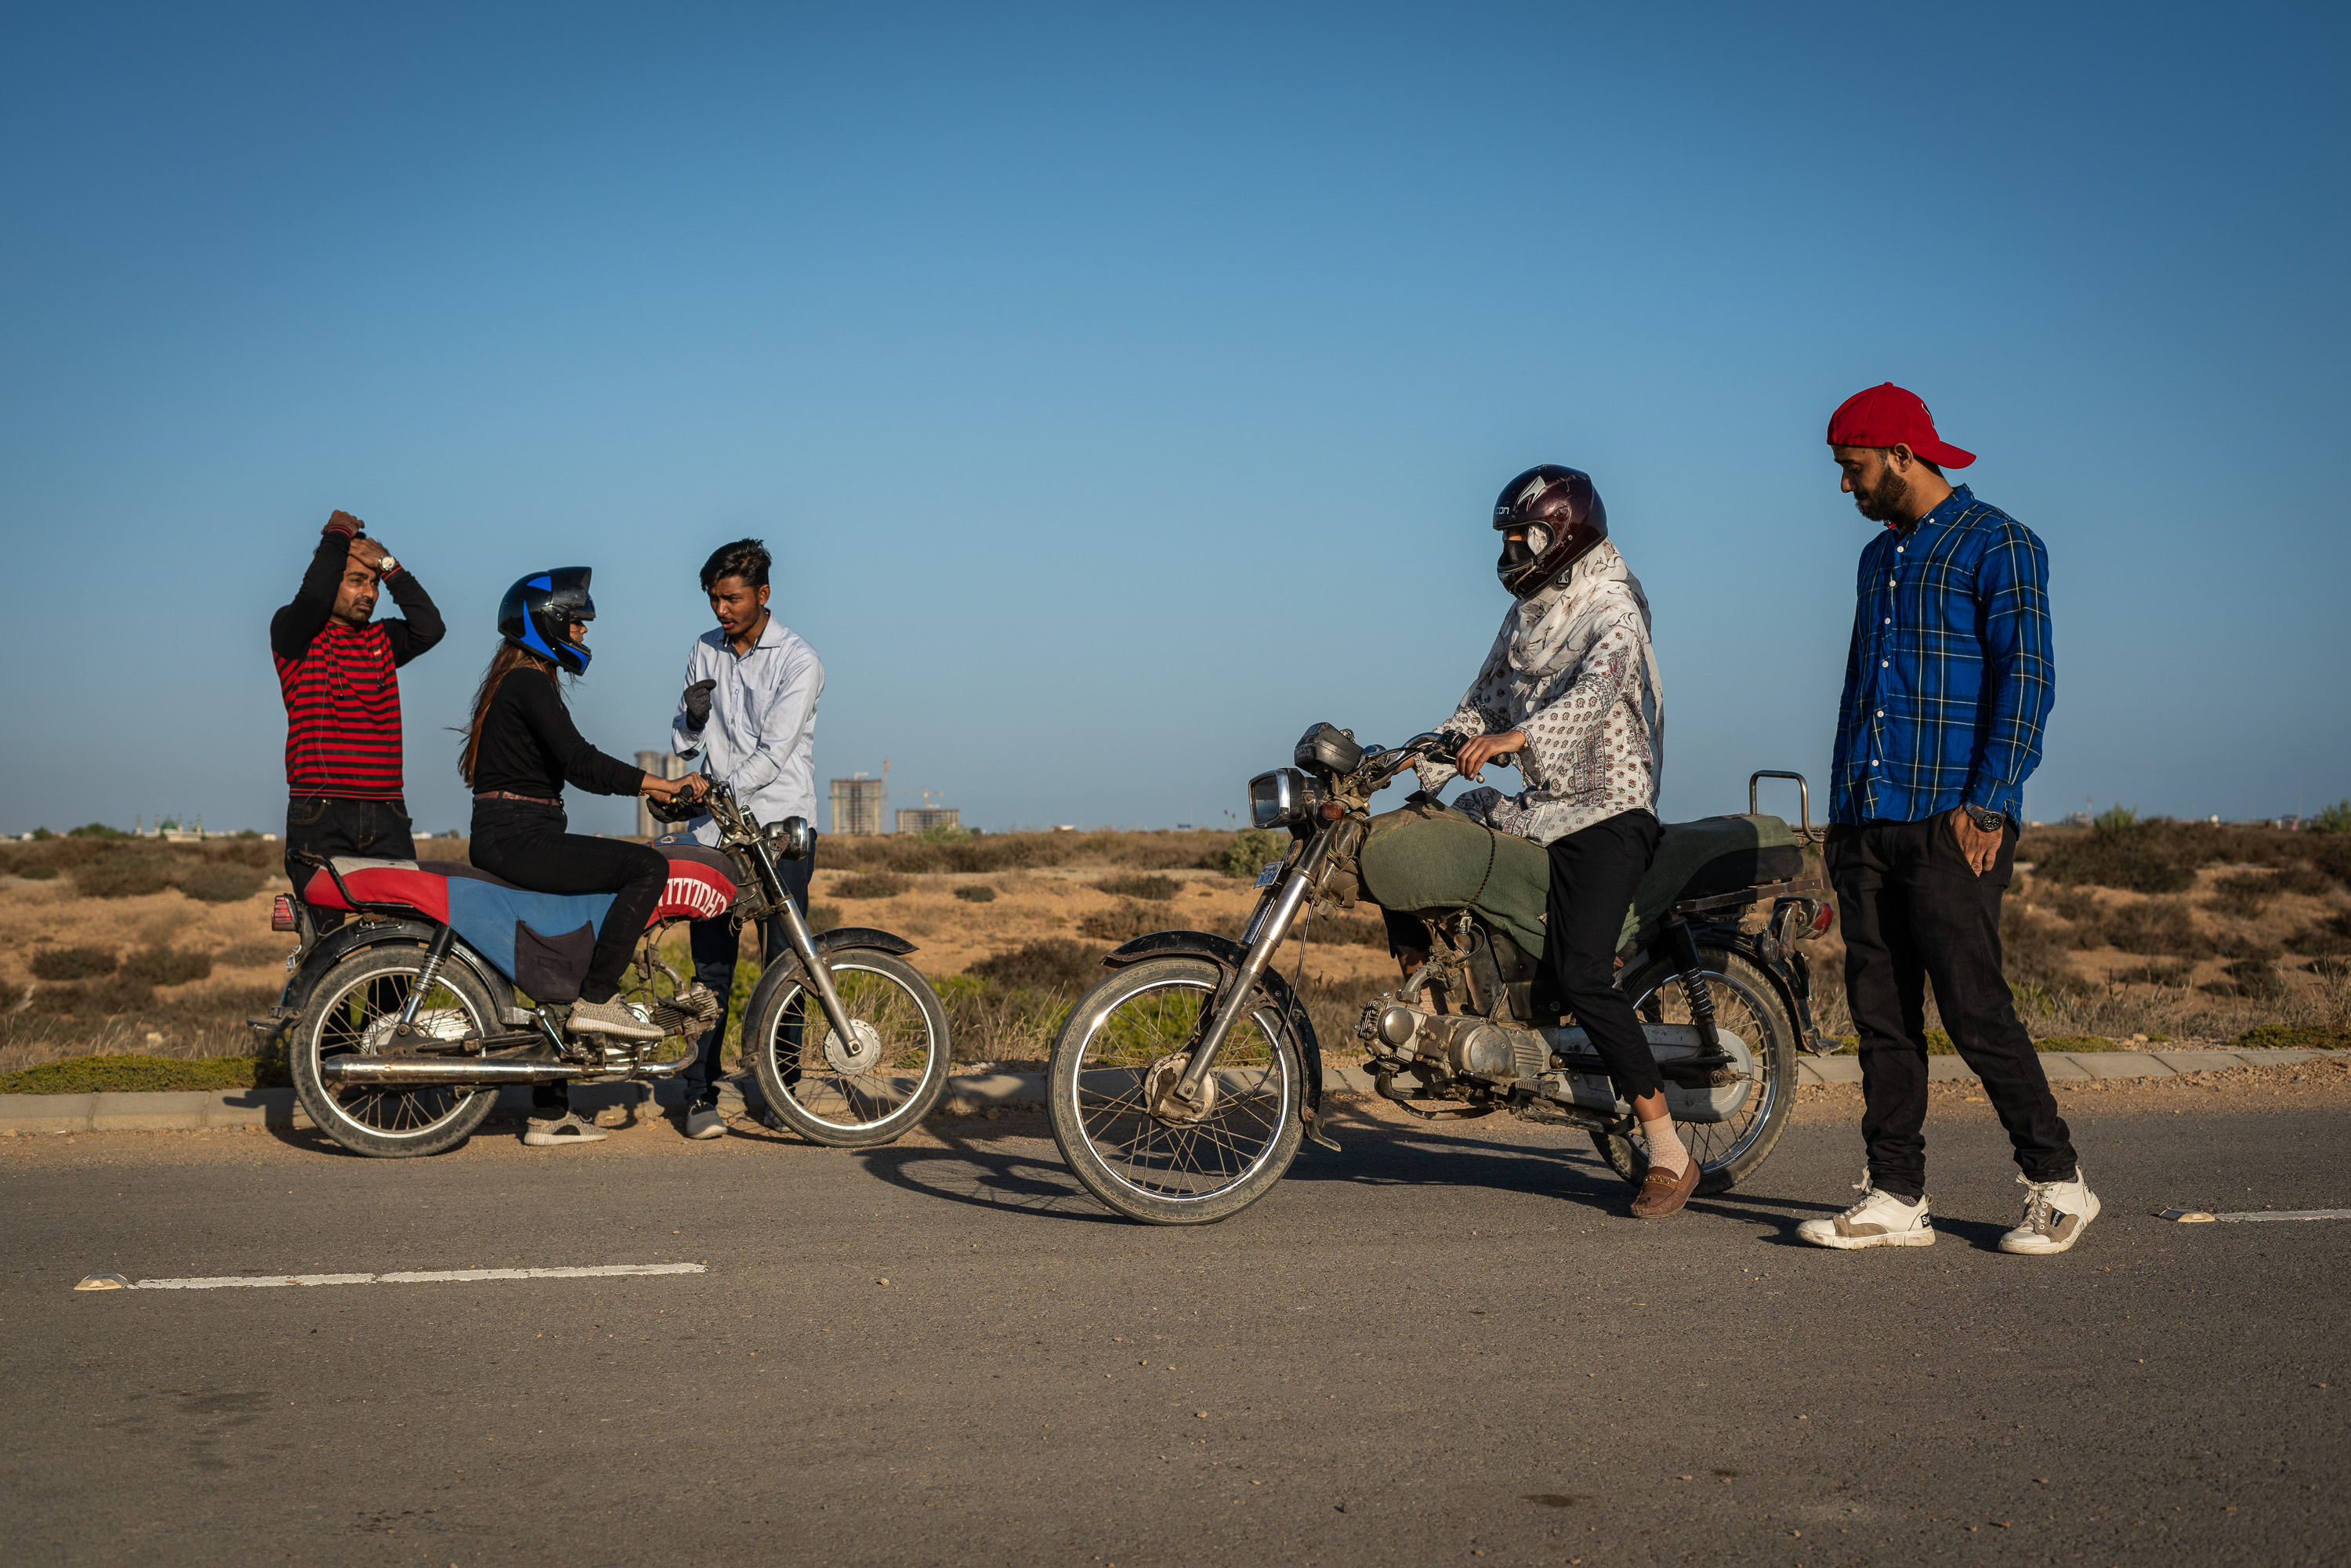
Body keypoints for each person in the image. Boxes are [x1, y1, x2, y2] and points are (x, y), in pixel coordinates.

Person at [1796, 383, 2095, 1255]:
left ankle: (2059, 1183)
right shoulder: (1876, 560)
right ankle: (1896, 1196)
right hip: (1867, 820)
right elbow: (1866, 690)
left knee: (1974, 1009)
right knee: (1881, 1015)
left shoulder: (1999, 542)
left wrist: (1990, 802)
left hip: (1953, 820)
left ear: (1898, 455)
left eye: (1853, 470)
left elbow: (2027, 680)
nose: (1844, 487)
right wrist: (1844, 815)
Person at [1407, 465, 1686, 1218]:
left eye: (1523, 536)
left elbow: (1595, 696)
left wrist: (1514, 738)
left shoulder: (1614, 608)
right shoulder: (1529, 614)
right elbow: (1480, 703)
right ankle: (1443, 1012)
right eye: (1506, 538)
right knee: (1425, 836)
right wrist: (1415, 756)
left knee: (1585, 967)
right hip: (1544, 804)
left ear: (1561, 533)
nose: (1511, 551)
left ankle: (1666, 1147)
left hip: (1610, 808)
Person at [457, 567, 705, 1148]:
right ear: (546, 624)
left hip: (512, 829)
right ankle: (599, 1000)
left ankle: (550, 1112)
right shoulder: (528, 683)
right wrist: (661, 785)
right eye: (576, 623)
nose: (584, 634)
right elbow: (580, 761)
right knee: (647, 867)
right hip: (517, 835)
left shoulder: (522, 680)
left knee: (561, 956)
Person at [665, 538, 825, 1141]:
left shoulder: (799, 659)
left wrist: (711, 789)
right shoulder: (702, 650)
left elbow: (773, 755)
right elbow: (683, 743)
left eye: (731, 597)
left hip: (781, 831)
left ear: (762, 593)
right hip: (714, 836)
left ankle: (779, 1092)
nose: (721, 610)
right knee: (711, 969)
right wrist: (694, 716)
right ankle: (699, 1092)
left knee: (787, 969)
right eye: (713, 598)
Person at [270, 509, 444, 914]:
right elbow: (313, 597)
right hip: (321, 809)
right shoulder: (296, 635)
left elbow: (430, 627)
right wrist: (338, 533)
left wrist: (388, 564)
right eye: (355, 580)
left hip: (387, 812)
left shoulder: (383, 639)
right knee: (328, 943)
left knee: (398, 943)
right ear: (333, 580)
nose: (368, 592)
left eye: (374, 583)